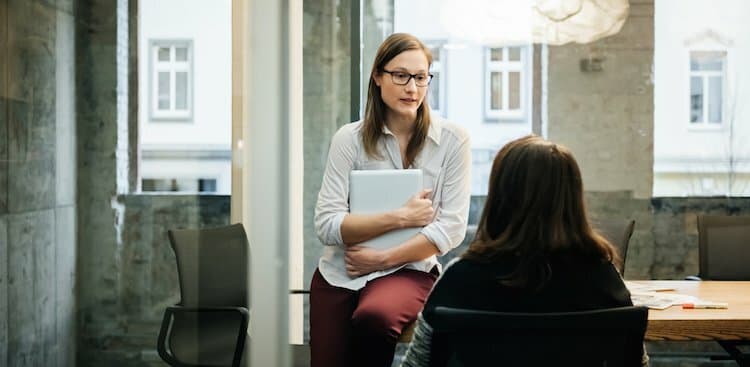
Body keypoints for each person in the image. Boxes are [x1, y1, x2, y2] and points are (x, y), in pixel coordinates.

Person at [400, 135, 649, 367]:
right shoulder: (603, 279)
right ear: (571, 201)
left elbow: (417, 363)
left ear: (499, 197)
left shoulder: (459, 278)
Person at [311, 33, 471, 367]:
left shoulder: (453, 141)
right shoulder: (349, 139)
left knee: (376, 317)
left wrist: (382, 260)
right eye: (400, 76)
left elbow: (450, 230)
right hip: (341, 270)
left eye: (421, 77)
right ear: (378, 76)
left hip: (409, 268)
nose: (412, 88)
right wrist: (402, 217)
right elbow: (327, 225)